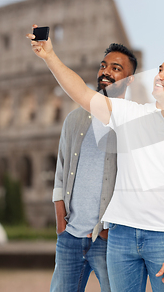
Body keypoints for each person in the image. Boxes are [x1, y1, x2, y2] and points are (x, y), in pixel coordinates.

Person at [27, 25, 164, 292]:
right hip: (121, 235)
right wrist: (50, 56)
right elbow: (81, 93)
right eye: (159, 69)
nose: (159, 75)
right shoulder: (130, 114)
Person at [50, 43, 137, 292]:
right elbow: (61, 170)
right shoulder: (74, 118)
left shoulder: (130, 121)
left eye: (116, 68)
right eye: (103, 66)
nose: (105, 72)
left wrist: (112, 228)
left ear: (129, 80)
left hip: (108, 239)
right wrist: (60, 221)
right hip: (70, 235)